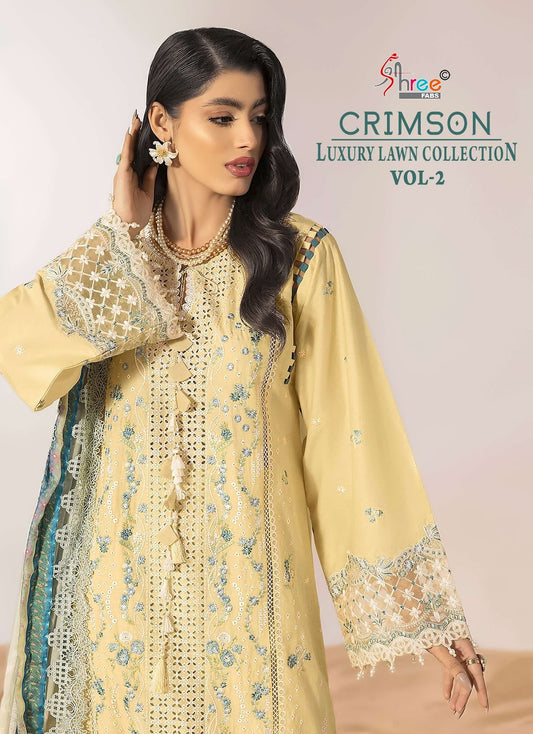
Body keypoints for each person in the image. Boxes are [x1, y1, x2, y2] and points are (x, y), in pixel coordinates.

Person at [0, 26, 488, 734]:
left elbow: (348, 447)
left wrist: (426, 618)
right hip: (119, 632)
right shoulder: (114, 265)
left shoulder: (298, 258)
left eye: (259, 117)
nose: (248, 139)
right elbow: (17, 343)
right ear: (162, 122)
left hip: (253, 634)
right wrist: (121, 236)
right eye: (222, 116)